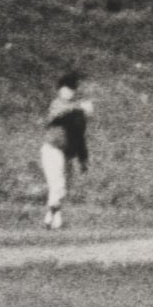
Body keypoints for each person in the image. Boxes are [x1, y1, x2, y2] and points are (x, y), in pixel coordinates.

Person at [40, 71, 92, 232]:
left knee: (62, 188)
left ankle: (50, 218)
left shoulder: (76, 114)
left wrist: (83, 159)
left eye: (71, 89)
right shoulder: (58, 104)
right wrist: (80, 107)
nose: (69, 92)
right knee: (58, 185)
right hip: (52, 149)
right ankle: (57, 220)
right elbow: (59, 114)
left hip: (65, 153)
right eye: (66, 89)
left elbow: (80, 137)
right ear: (60, 90)